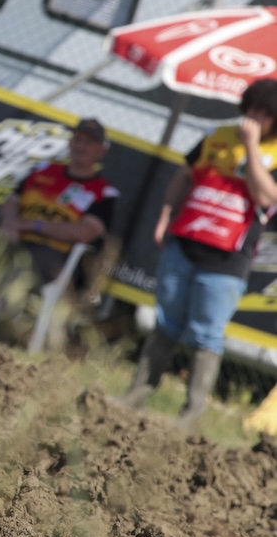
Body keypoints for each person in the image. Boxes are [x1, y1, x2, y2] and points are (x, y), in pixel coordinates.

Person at [117, 79, 277, 430]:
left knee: (207, 334)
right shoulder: (216, 135)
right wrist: (165, 215)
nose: (254, 118)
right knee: (166, 323)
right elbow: (184, 175)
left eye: (265, 114)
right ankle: (136, 396)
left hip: (227, 260)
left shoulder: (274, 151)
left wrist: (251, 149)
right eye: (252, 109)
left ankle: (190, 416)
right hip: (185, 243)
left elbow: (267, 197)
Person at [0, 118, 118, 330]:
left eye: (89, 142)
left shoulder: (103, 192)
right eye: (77, 140)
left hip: (55, 254)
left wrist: (32, 225)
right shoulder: (44, 170)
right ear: (70, 143)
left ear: (101, 151)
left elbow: (85, 232)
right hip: (16, 236)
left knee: (28, 259)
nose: (81, 146)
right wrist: (10, 223)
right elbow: (11, 201)